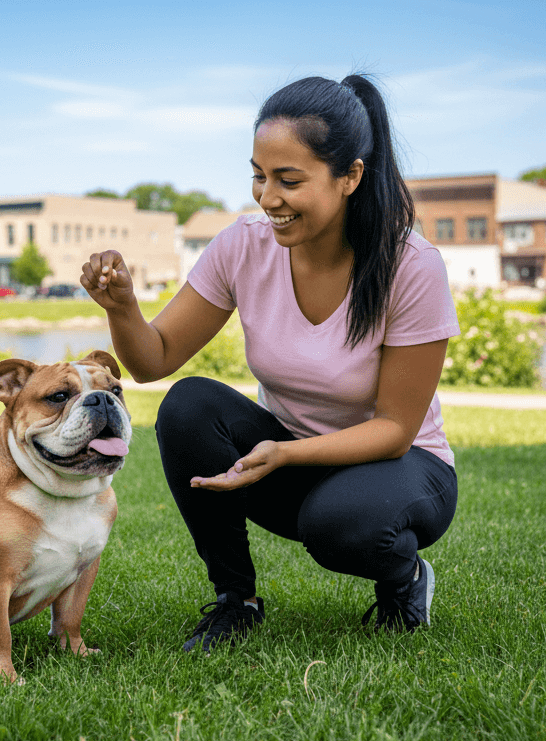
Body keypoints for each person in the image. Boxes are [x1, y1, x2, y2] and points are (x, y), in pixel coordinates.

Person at [79, 74, 460, 653]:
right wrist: (123, 307)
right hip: (289, 464)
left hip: (402, 466)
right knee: (188, 405)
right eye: (259, 176)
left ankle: (403, 579)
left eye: (289, 180)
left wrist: (285, 453)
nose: (267, 197)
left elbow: (394, 429)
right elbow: (152, 361)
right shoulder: (244, 245)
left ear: (350, 177)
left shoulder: (411, 266)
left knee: (340, 524)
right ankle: (237, 599)